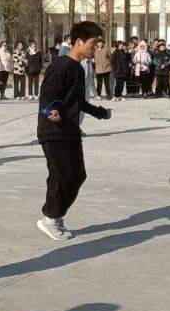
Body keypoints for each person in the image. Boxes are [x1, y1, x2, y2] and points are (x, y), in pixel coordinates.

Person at [35, 21, 113, 240]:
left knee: (78, 175)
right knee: (60, 175)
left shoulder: (78, 68)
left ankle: (56, 214)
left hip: (70, 129)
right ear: (78, 42)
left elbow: (78, 102)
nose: (96, 46)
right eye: (93, 42)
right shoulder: (60, 66)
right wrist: (50, 110)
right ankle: (50, 217)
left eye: (98, 42)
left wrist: (100, 112)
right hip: (53, 130)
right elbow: (47, 95)